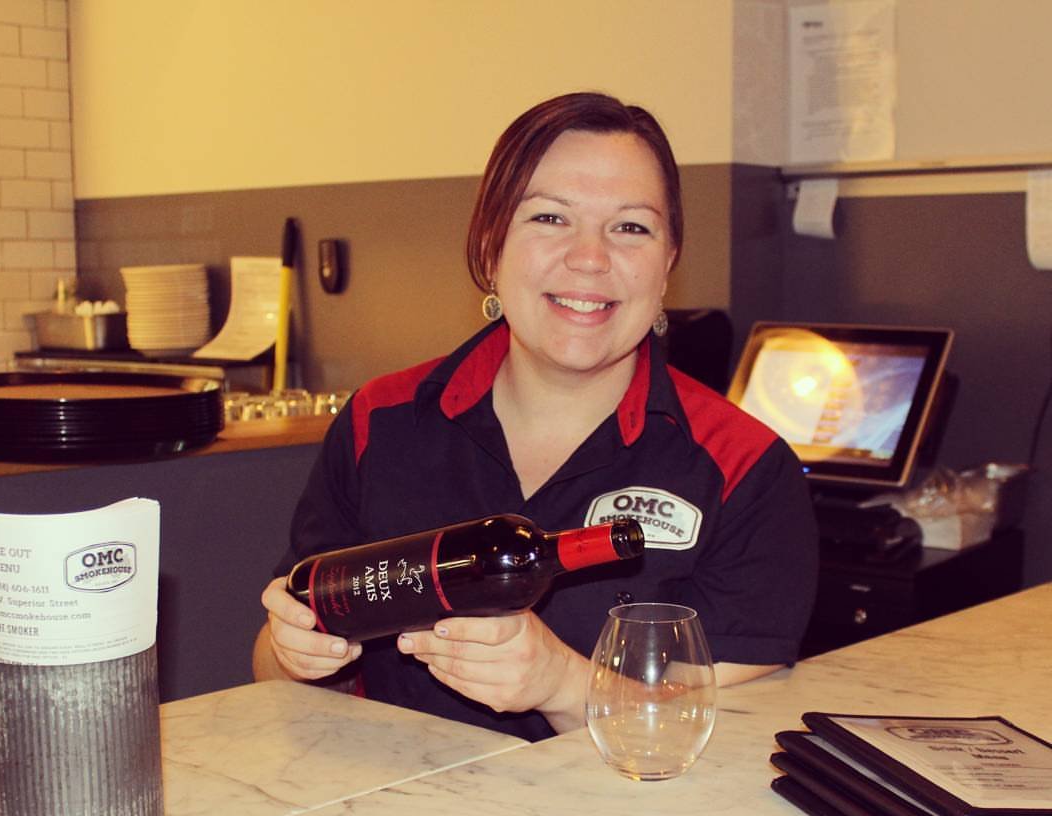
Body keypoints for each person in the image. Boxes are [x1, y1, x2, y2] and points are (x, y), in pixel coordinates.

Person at [253, 91, 818, 742]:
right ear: (491, 247)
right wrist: (290, 650)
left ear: (667, 265)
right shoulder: (379, 423)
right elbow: (273, 674)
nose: (590, 258)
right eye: (550, 218)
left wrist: (561, 683)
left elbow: (737, 738)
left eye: (631, 227)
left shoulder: (746, 467)